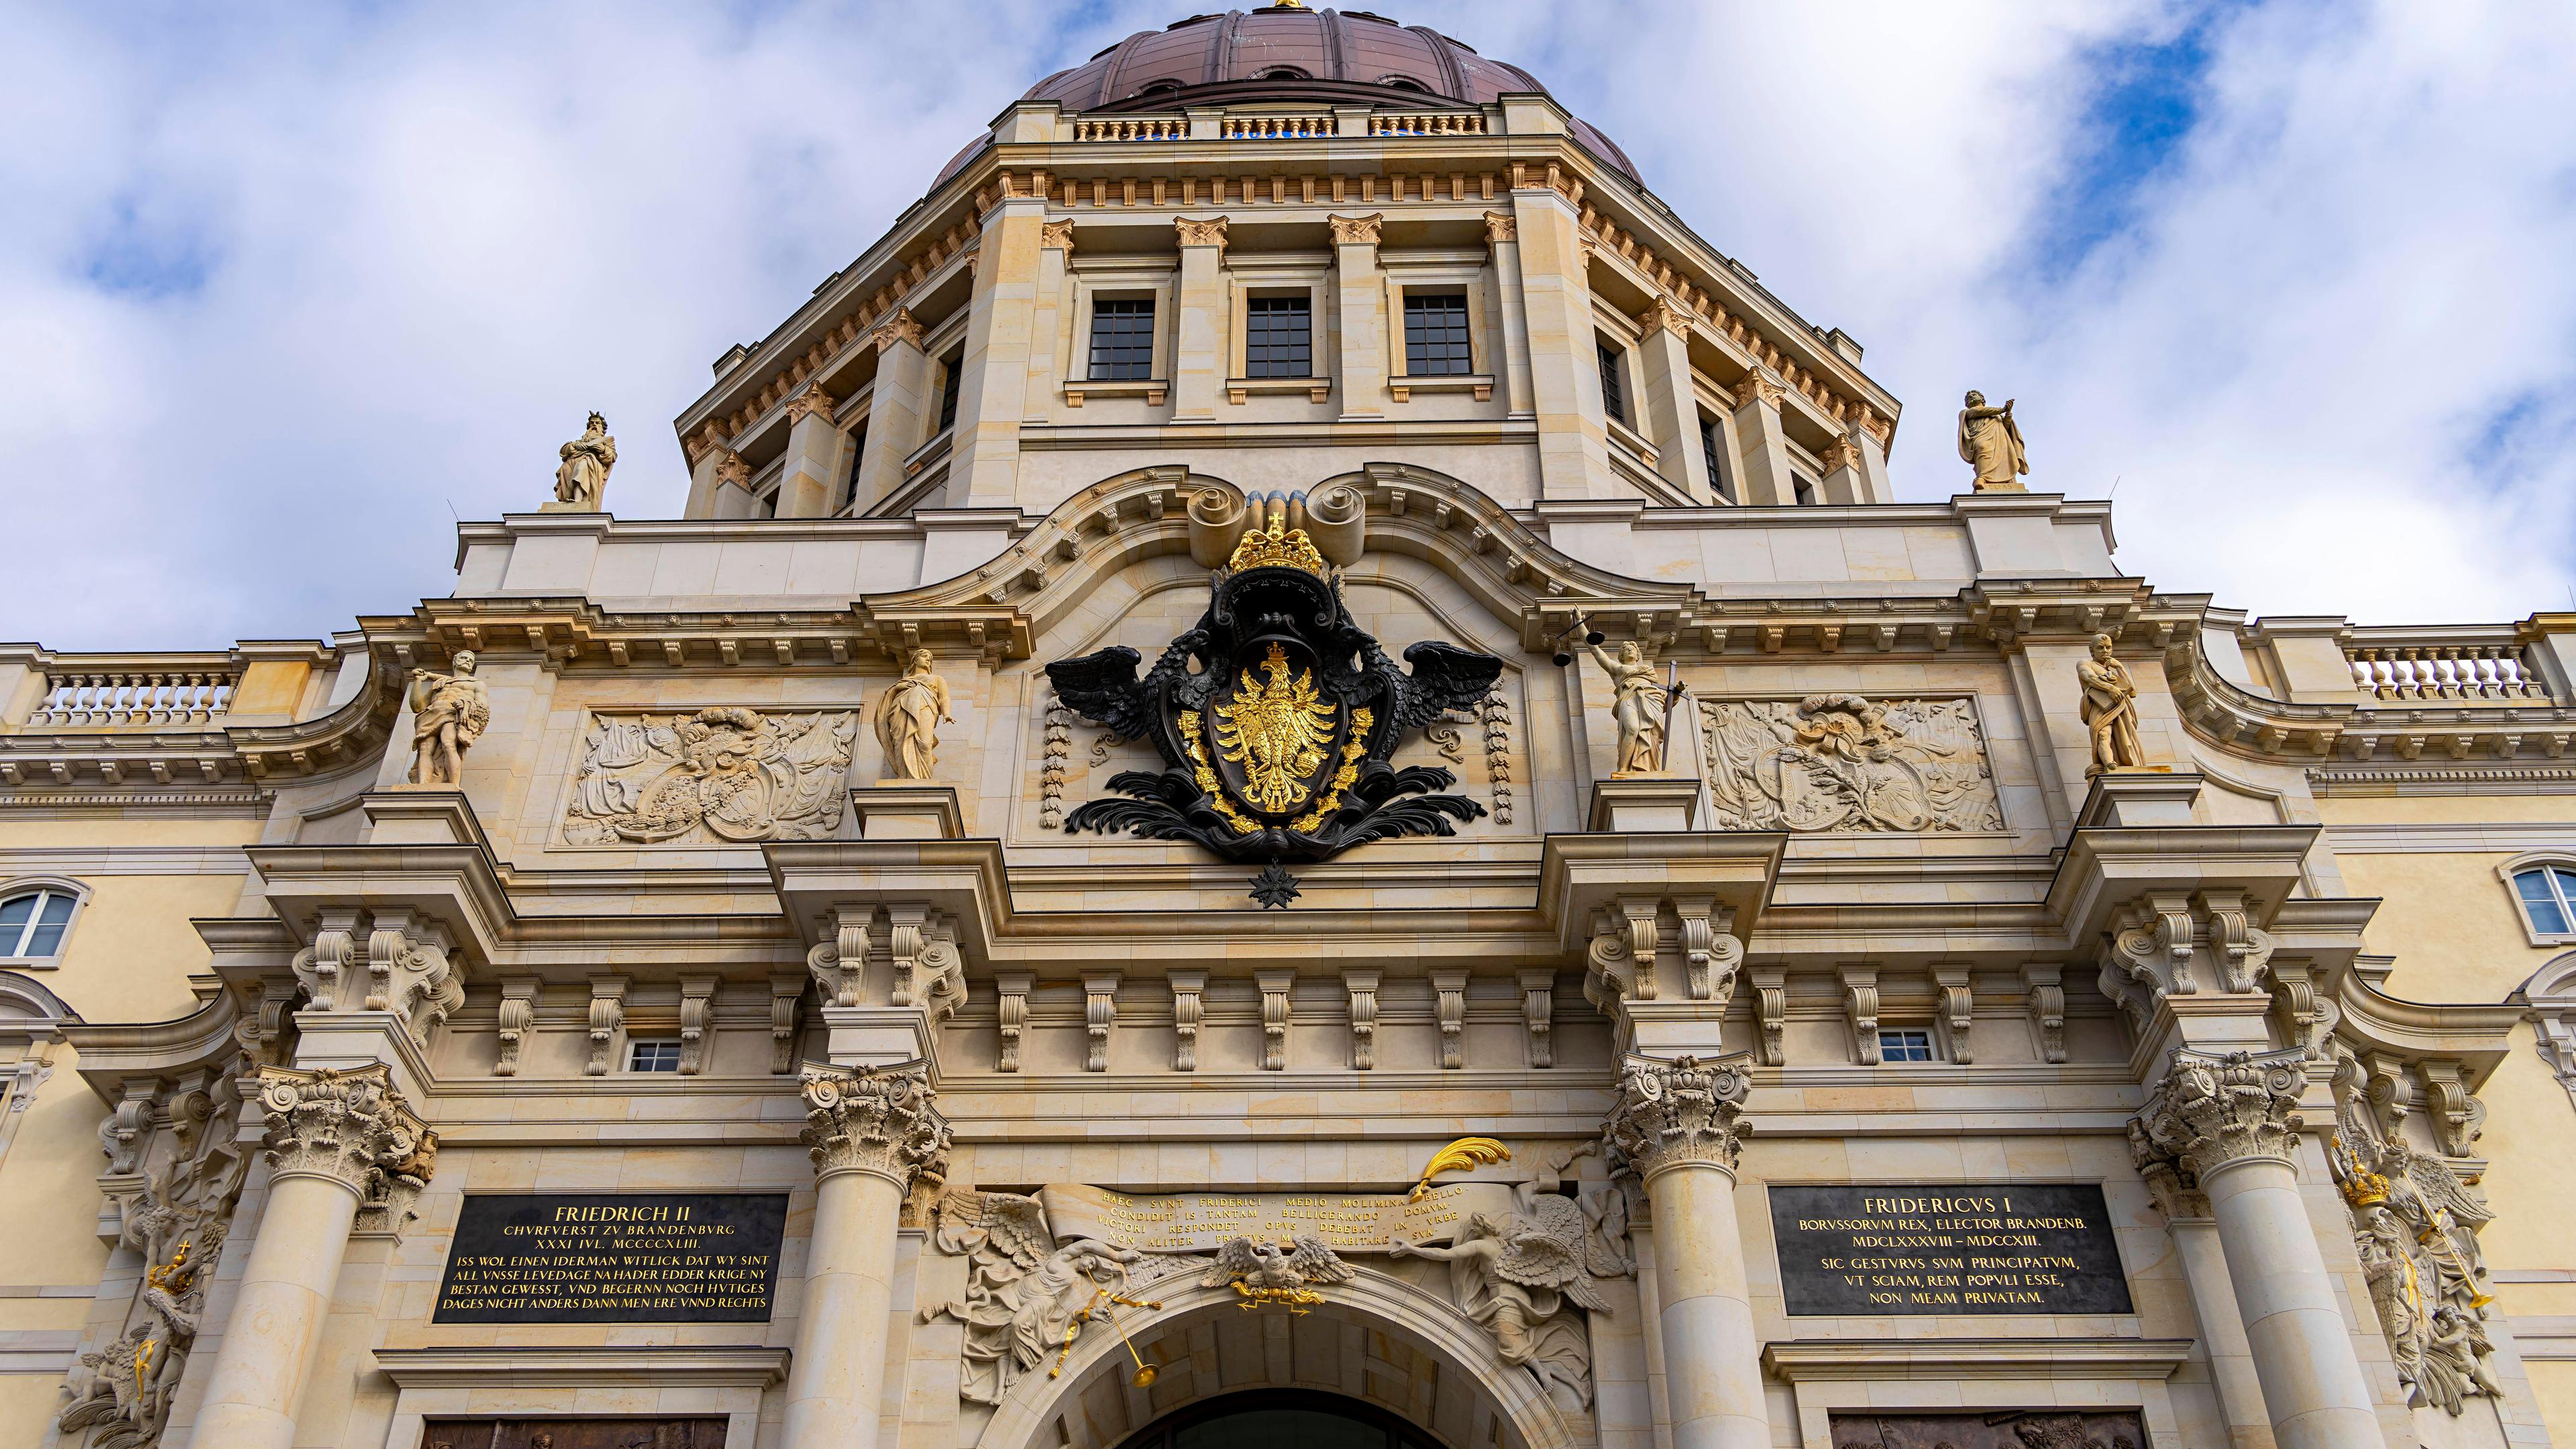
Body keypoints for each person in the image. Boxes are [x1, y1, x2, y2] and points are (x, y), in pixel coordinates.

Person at [1585, 638, 1670, 774]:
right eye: (1625, 649)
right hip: (1629, 697)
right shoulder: (1618, 669)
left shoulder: (1648, 671)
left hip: (1651, 699)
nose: (1630, 650)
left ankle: (1649, 768)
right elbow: (1595, 650)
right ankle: (1624, 769)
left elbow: (1664, 701)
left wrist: (1675, 693)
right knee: (1632, 728)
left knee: (1652, 733)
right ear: (1621, 657)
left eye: (1633, 649)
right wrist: (1580, 625)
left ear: (1638, 655)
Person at [407, 650, 489, 787]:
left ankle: (453, 785)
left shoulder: (476, 684)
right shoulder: (441, 682)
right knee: (425, 750)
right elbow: (417, 706)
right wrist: (418, 682)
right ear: (455, 661)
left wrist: (465, 704)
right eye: (464, 658)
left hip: (451, 714)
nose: (468, 661)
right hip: (430, 715)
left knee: (449, 744)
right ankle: (422, 786)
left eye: (471, 660)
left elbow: (483, 708)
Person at [874, 648, 954, 780]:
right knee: (900, 742)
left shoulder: (937, 679)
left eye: (930, 658)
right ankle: (904, 777)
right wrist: (897, 689)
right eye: (924, 656)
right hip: (900, 712)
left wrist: (946, 714)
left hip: (926, 708)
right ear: (915, 660)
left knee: (925, 744)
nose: (928, 659)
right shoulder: (901, 683)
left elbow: (944, 698)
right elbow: (888, 698)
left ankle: (923, 780)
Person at [2076, 633, 2143, 774]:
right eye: (2100, 648)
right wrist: (2110, 688)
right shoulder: (2086, 663)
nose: (2105, 651)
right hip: (2101, 707)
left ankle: (2123, 763)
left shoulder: (2112, 670)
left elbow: (2133, 692)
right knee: (2103, 734)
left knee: (2124, 737)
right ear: (2092, 650)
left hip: (2120, 707)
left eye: (2108, 648)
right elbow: (2088, 677)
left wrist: (2120, 667)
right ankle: (2109, 763)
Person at [1956, 390, 2027, 492]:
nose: (1971, 397)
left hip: (2000, 441)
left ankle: (2007, 482)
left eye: (1974, 395)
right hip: (1982, 437)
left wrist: (2007, 414)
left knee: (2005, 457)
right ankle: (1982, 478)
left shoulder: (1995, 415)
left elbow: (2005, 428)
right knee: (1983, 447)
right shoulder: (1966, 413)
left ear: (1982, 399)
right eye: (1968, 398)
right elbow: (1978, 412)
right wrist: (2002, 409)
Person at [549, 411, 617, 511]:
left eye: (597, 423)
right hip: (572, 463)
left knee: (583, 466)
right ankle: (568, 499)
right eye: (592, 423)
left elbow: (612, 456)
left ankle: (578, 501)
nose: (594, 425)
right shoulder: (581, 441)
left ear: (602, 428)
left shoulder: (606, 441)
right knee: (570, 467)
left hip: (590, 462)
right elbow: (564, 450)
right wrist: (575, 446)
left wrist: (602, 449)